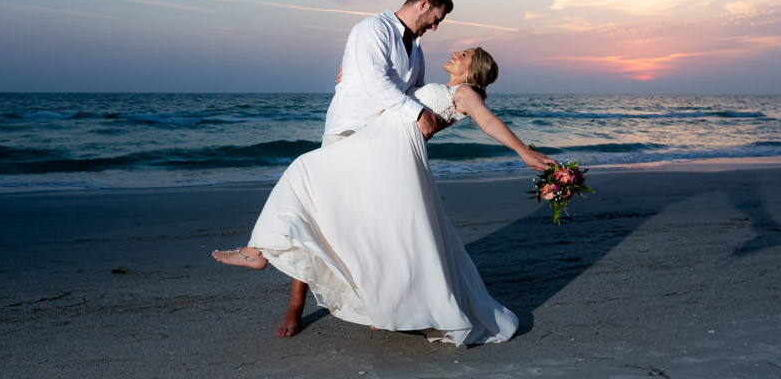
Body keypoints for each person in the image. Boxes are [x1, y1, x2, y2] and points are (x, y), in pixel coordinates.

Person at [213, 47, 556, 346]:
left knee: (308, 174)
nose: (455, 53)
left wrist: (523, 151)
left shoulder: (467, 92)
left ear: (474, 68)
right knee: (366, 223)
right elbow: (384, 92)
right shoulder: (443, 88)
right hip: (375, 145)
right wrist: (349, 83)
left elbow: (488, 120)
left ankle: (257, 253)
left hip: (389, 155)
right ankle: (262, 252)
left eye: (463, 55)